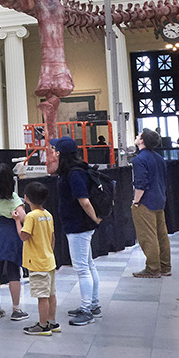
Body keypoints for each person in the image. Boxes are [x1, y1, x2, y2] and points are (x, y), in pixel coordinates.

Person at [47, 137, 102, 325]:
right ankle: (93, 304)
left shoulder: (74, 174)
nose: (53, 151)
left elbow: (84, 200)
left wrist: (94, 218)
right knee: (88, 265)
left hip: (79, 226)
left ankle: (87, 310)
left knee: (82, 268)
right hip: (81, 225)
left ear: (60, 153)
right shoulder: (74, 171)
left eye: (55, 149)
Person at [0, 146, 29, 323]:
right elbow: (24, 219)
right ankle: (16, 309)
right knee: (13, 271)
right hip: (11, 235)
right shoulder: (14, 201)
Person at [16, 180, 58, 336]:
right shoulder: (48, 215)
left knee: (42, 296)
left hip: (37, 264)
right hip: (49, 261)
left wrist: (17, 222)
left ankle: (42, 325)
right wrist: (49, 252)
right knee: (51, 294)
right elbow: (52, 237)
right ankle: (52, 322)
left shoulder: (31, 216)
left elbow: (24, 236)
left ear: (26, 198)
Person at [131, 128, 170, 278]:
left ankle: (153, 268)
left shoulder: (139, 160)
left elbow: (140, 184)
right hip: (159, 198)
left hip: (146, 201)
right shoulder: (159, 158)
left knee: (148, 235)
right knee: (162, 234)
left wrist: (136, 201)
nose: (136, 136)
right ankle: (165, 266)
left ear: (142, 141)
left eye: (139, 135)